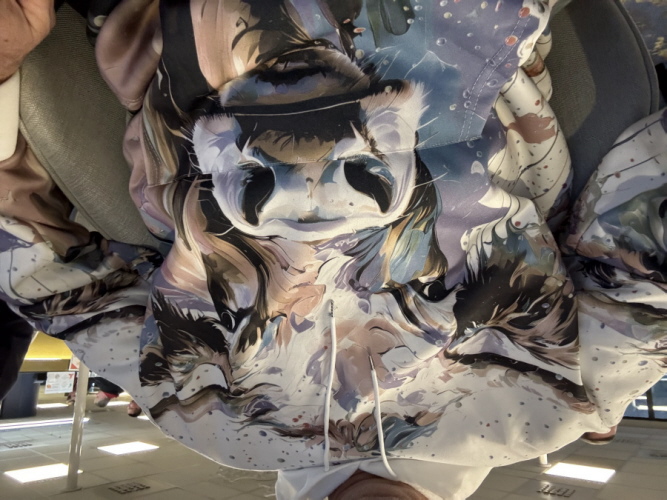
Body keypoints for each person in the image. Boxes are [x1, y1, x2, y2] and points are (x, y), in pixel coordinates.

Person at [1, 1, 666, 498]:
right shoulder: (558, 401)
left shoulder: (209, 419)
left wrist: (2, 72)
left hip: (201, 44)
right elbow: (647, 256)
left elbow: (48, 285)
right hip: (445, 32)